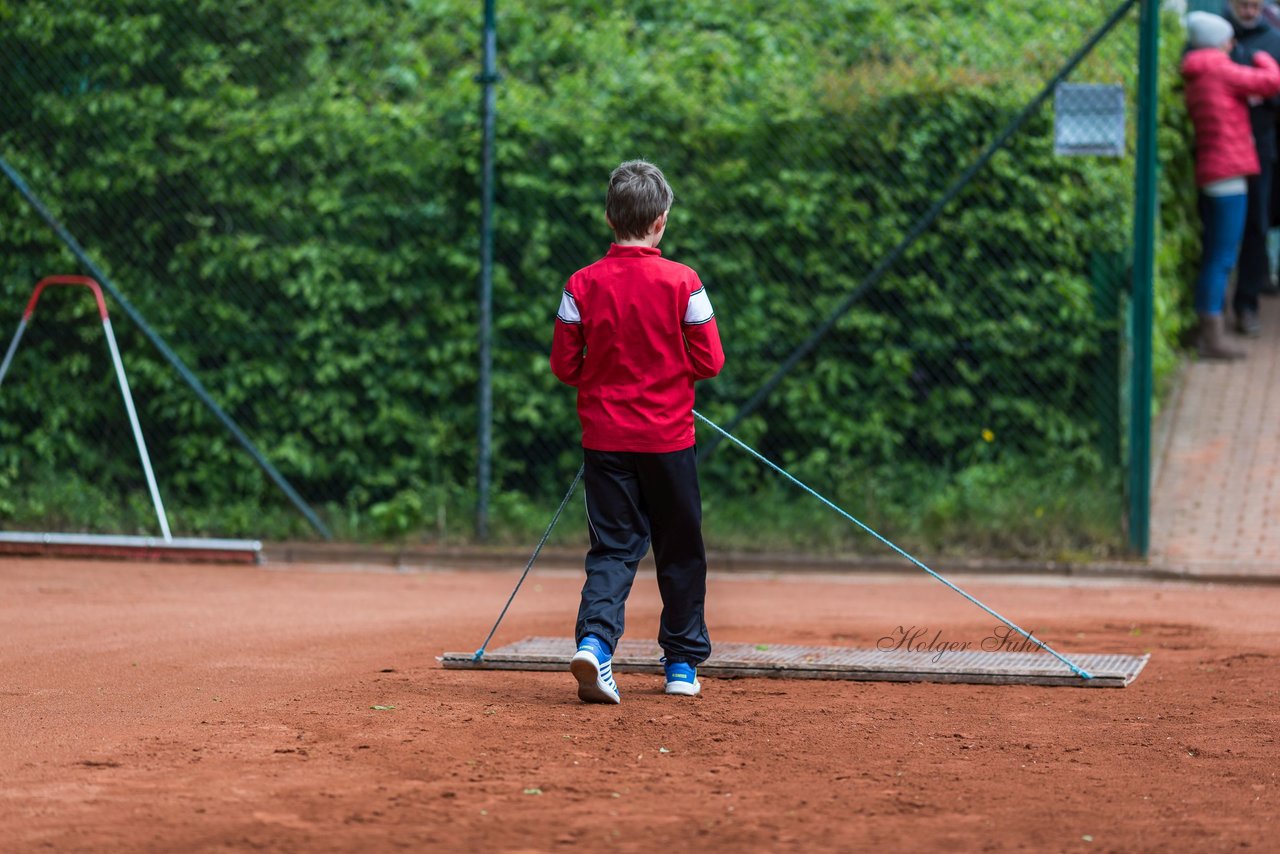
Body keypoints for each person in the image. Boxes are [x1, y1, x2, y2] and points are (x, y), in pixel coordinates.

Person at [550, 159, 725, 704]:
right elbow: (711, 359)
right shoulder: (685, 281)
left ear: (608, 218)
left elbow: (564, 365)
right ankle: (680, 666)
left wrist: (599, 376)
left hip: (605, 441)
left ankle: (595, 646)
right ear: (662, 221)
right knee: (680, 550)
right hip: (669, 441)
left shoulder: (580, 284)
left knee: (613, 549)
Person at [1183, 11, 1280, 358]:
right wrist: (1264, 57)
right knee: (1222, 256)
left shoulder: (1197, 69)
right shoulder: (1218, 68)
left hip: (1214, 168)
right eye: (1227, 39)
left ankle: (1207, 326)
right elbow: (1271, 82)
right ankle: (1213, 336)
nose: (1232, 44)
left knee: (1214, 251)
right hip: (1229, 172)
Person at [1223, 0, 1280, 334]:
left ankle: (1247, 303)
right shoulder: (1218, 35)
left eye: (1254, 4)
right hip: (1222, 146)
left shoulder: (1273, 40)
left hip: (1261, 147)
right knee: (1218, 226)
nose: (1248, 10)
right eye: (1243, 4)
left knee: (1257, 225)